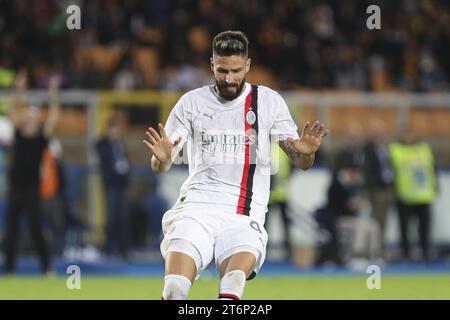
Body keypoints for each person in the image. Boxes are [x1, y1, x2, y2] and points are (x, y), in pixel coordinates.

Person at [143, 31, 328, 300]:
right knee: (174, 289)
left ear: (248, 66)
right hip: (196, 208)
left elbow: (300, 161)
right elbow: (163, 163)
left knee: (233, 283)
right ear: (211, 65)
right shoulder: (192, 103)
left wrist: (307, 153)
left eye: (235, 71)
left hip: (244, 213)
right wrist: (160, 159)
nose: (228, 79)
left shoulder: (268, 102)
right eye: (222, 70)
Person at [2, 71, 60, 275]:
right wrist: (19, 89)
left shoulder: (40, 139)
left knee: (36, 230)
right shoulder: (18, 134)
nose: (29, 119)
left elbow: (53, 118)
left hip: (32, 190)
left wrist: (53, 94)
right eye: (27, 116)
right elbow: (10, 109)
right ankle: (8, 270)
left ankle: (46, 268)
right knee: (11, 231)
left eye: (33, 117)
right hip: (15, 188)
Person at [389, 127, 438, 262]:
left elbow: (433, 168)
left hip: (424, 195)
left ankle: (425, 252)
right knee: (404, 228)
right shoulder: (395, 149)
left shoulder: (424, 148)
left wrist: (435, 187)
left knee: (425, 227)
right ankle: (406, 253)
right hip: (405, 196)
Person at [95, 118, 130, 259]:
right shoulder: (103, 144)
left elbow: (126, 162)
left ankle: (123, 250)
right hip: (110, 185)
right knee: (111, 218)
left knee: (122, 217)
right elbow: (99, 150)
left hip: (122, 185)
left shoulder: (121, 144)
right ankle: (108, 249)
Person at [363, 119, 395, 259]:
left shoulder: (385, 147)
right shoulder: (368, 149)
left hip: (387, 189)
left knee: (383, 222)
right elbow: (368, 170)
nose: (379, 134)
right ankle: (374, 251)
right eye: (376, 131)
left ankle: (379, 249)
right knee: (376, 223)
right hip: (377, 190)